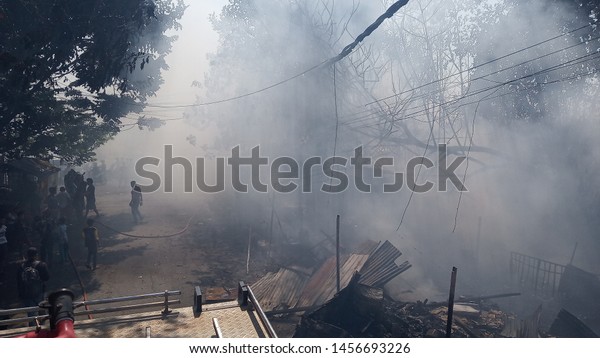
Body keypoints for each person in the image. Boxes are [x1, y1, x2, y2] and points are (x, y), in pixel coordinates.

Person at [17, 247, 50, 326]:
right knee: (42, 311)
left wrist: (21, 294)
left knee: (31, 315)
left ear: (27, 255)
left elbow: (19, 282)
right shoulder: (42, 265)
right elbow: (47, 278)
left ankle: (33, 331)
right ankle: (43, 329)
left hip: (27, 294)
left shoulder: (21, 267)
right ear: (36, 255)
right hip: (40, 292)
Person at [0, 217, 7, 284]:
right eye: (2, 219)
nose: (3, 220)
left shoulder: (5, 227)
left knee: (3, 259)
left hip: (4, 244)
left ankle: (2, 271)